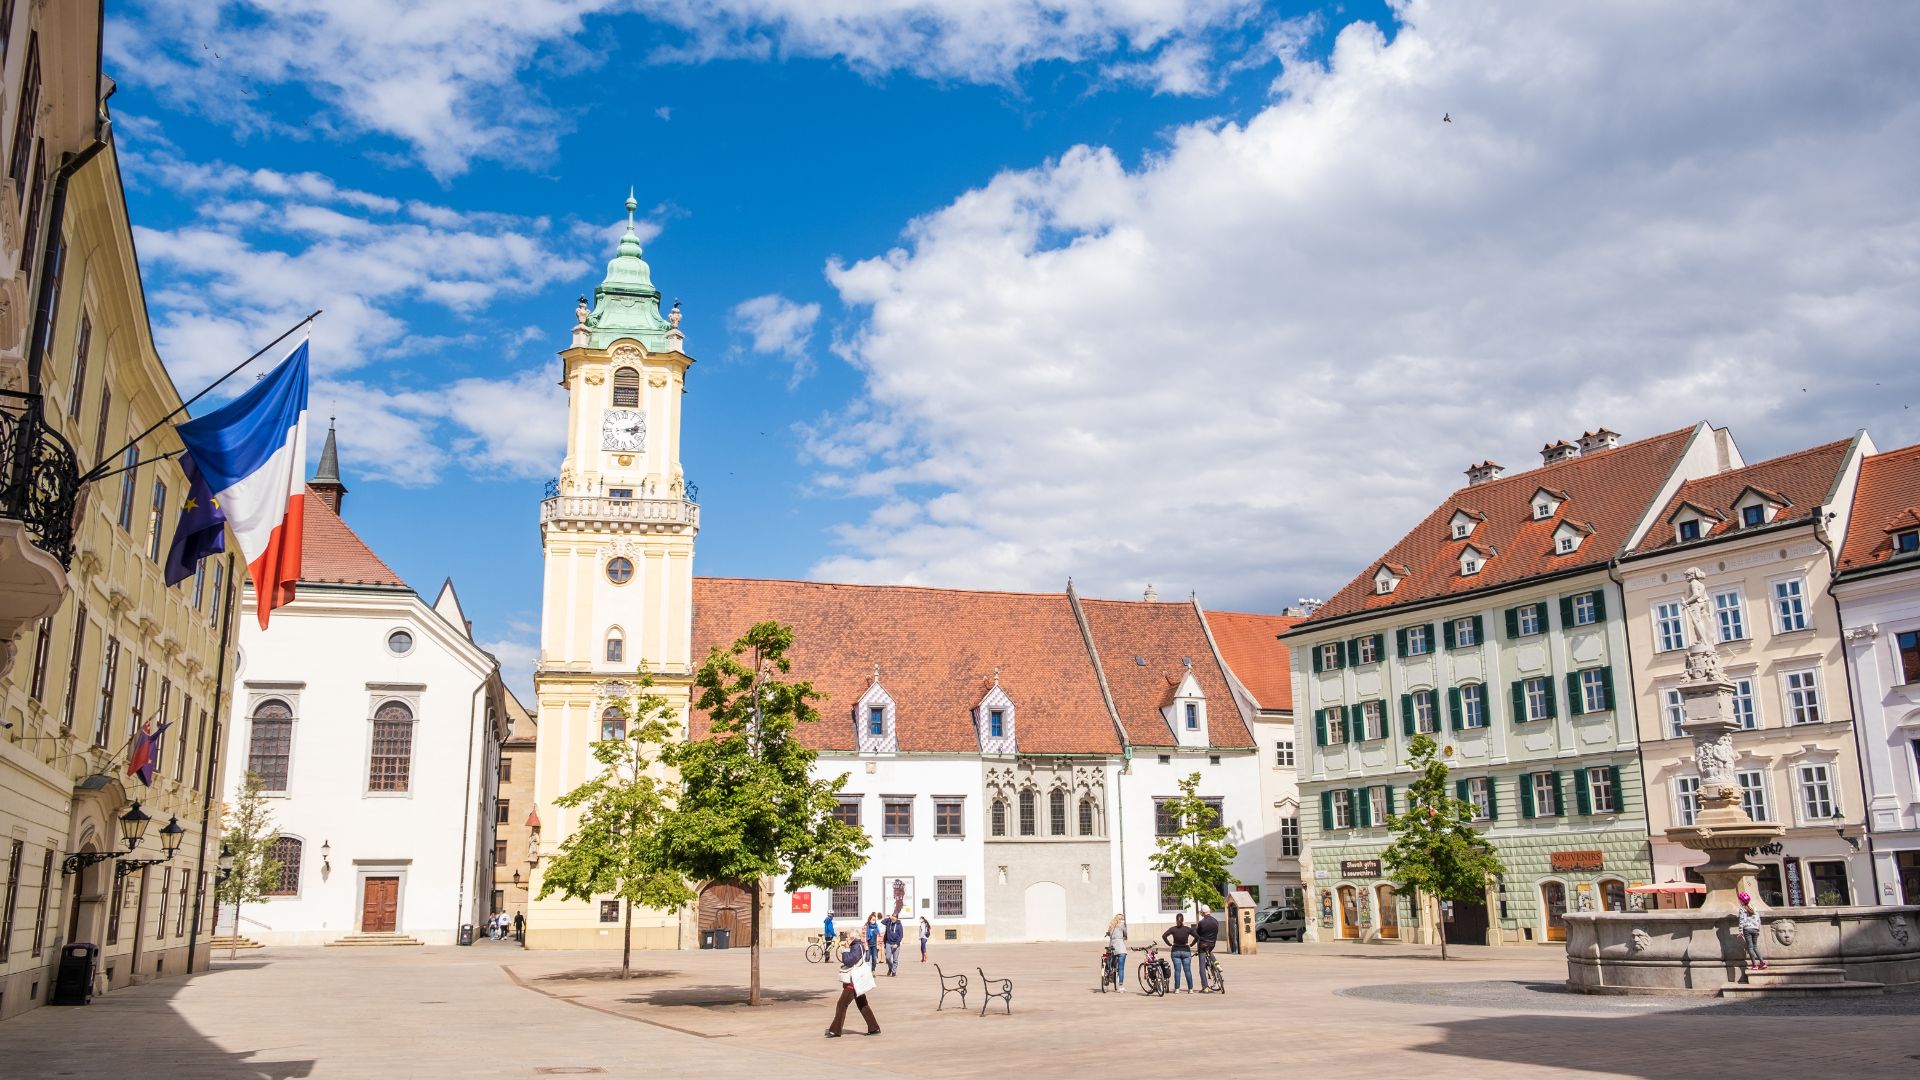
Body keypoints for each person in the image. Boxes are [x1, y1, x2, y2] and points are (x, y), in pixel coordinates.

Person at [825, 933, 881, 1038]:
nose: (846, 938)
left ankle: (835, 1030)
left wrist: (846, 949)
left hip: (853, 981)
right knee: (862, 1004)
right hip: (856, 981)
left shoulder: (856, 947)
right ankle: (874, 1028)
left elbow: (848, 961)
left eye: (848, 936)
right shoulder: (856, 945)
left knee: (842, 1004)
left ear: (853, 938)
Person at [1162, 913, 1196, 993]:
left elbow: (1164, 936)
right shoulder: (1188, 929)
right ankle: (1190, 989)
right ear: (1183, 920)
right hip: (1186, 951)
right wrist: (1191, 944)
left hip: (1175, 951)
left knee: (1177, 971)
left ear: (1176, 920)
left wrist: (1169, 944)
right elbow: (1197, 937)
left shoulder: (1173, 929)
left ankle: (1177, 989)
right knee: (1187, 971)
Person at [1194, 904, 1221, 991]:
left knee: (1202, 966)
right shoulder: (1215, 921)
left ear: (1202, 913)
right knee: (1209, 951)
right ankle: (1217, 964)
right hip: (1212, 943)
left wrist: (1193, 943)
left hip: (1203, 945)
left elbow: (1197, 934)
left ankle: (1205, 987)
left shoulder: (1201, 922)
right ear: (1210, 911)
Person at [1737, 892, 1766, 970]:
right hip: (1755, 929)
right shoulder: (1754, 907)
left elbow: (1742, 920)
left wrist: (1740, 931)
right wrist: (1758, 929)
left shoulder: (1742, 909)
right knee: (1755, 947)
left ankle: (1754, 965)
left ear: (1741, 901)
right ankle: (1762, 963)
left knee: (1750, 947)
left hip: (1747, 929)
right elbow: (1758, 919)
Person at [1106, 913, 1128, 992]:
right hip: (1121, 948)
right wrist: (1123, 937)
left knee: (1111, 962)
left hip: (1113, 947)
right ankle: (1121, 986)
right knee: (1121, 968)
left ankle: (1110, 972)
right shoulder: (1122, 925)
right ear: (1121, 919)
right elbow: (1126, 935)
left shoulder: (1111, 925)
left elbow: (1109, 934)